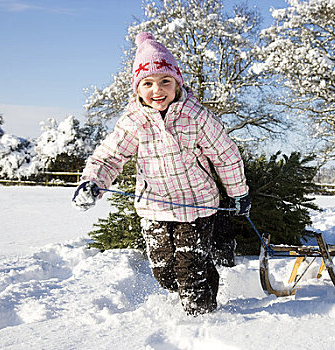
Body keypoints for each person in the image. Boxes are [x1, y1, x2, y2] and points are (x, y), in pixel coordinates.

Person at [72, 32, 250, 316]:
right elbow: (110, 156)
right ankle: (204, 276)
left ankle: (203, 319)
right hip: (153, 208)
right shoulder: (134, 121)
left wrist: (238, 192)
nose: (158, 90)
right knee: (165, 273)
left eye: (165, 81)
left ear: (178, 83)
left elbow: (225, 155)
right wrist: (92, 181)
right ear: (137, 89)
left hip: (197, 207)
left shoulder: (196, 116)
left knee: (190, 271)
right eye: (148, 83)